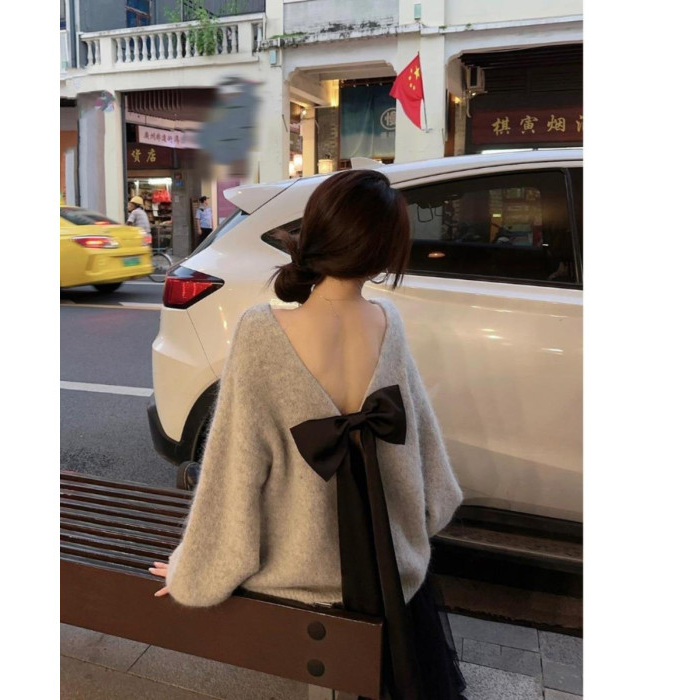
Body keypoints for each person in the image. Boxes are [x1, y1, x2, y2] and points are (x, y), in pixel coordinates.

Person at [148, 170, 467, 700]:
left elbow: (233, 471)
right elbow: (427, 460)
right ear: (385, 251)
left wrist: (193, 570)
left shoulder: (261, 330)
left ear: (316, 232)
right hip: (390, 569)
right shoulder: (386, 323)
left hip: (299, 576)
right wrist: (412, 530)